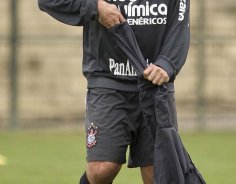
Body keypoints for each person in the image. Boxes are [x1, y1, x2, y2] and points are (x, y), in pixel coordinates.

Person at [38, 0, 190, 184]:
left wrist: (167, 63)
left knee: (158, 174)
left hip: (155, 85)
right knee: (101, 169)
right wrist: (95, 7)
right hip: (108, 80)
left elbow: (180, 25)